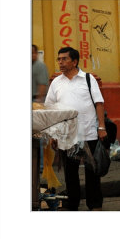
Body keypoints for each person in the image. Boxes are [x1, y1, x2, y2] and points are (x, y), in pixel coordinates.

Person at [45, 47, 107, 211]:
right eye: (59, 59)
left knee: (92, 172)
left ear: (74, 61)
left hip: (88, 133)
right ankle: (72, 206)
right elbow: (50, 110)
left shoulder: (88, 79)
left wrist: (101, 127)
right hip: (67, 136)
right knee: (70, 174)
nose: (60, 62)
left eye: (64, 59)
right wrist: (53, 134)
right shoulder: (56, 83)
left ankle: (94, 205)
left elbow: (99, 103)